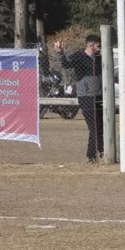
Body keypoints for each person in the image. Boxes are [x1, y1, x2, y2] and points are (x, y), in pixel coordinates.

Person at [54, 34, 104, 163]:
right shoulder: (79, 56)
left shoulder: (99, 57)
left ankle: (102, 152)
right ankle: (93, 155)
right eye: (99, 45)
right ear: (91, 45)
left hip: (99, 95)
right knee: (93, 126)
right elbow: (66, 64)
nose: (100, 48)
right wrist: (60, 52)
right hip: (85, 96)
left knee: (100, 126)